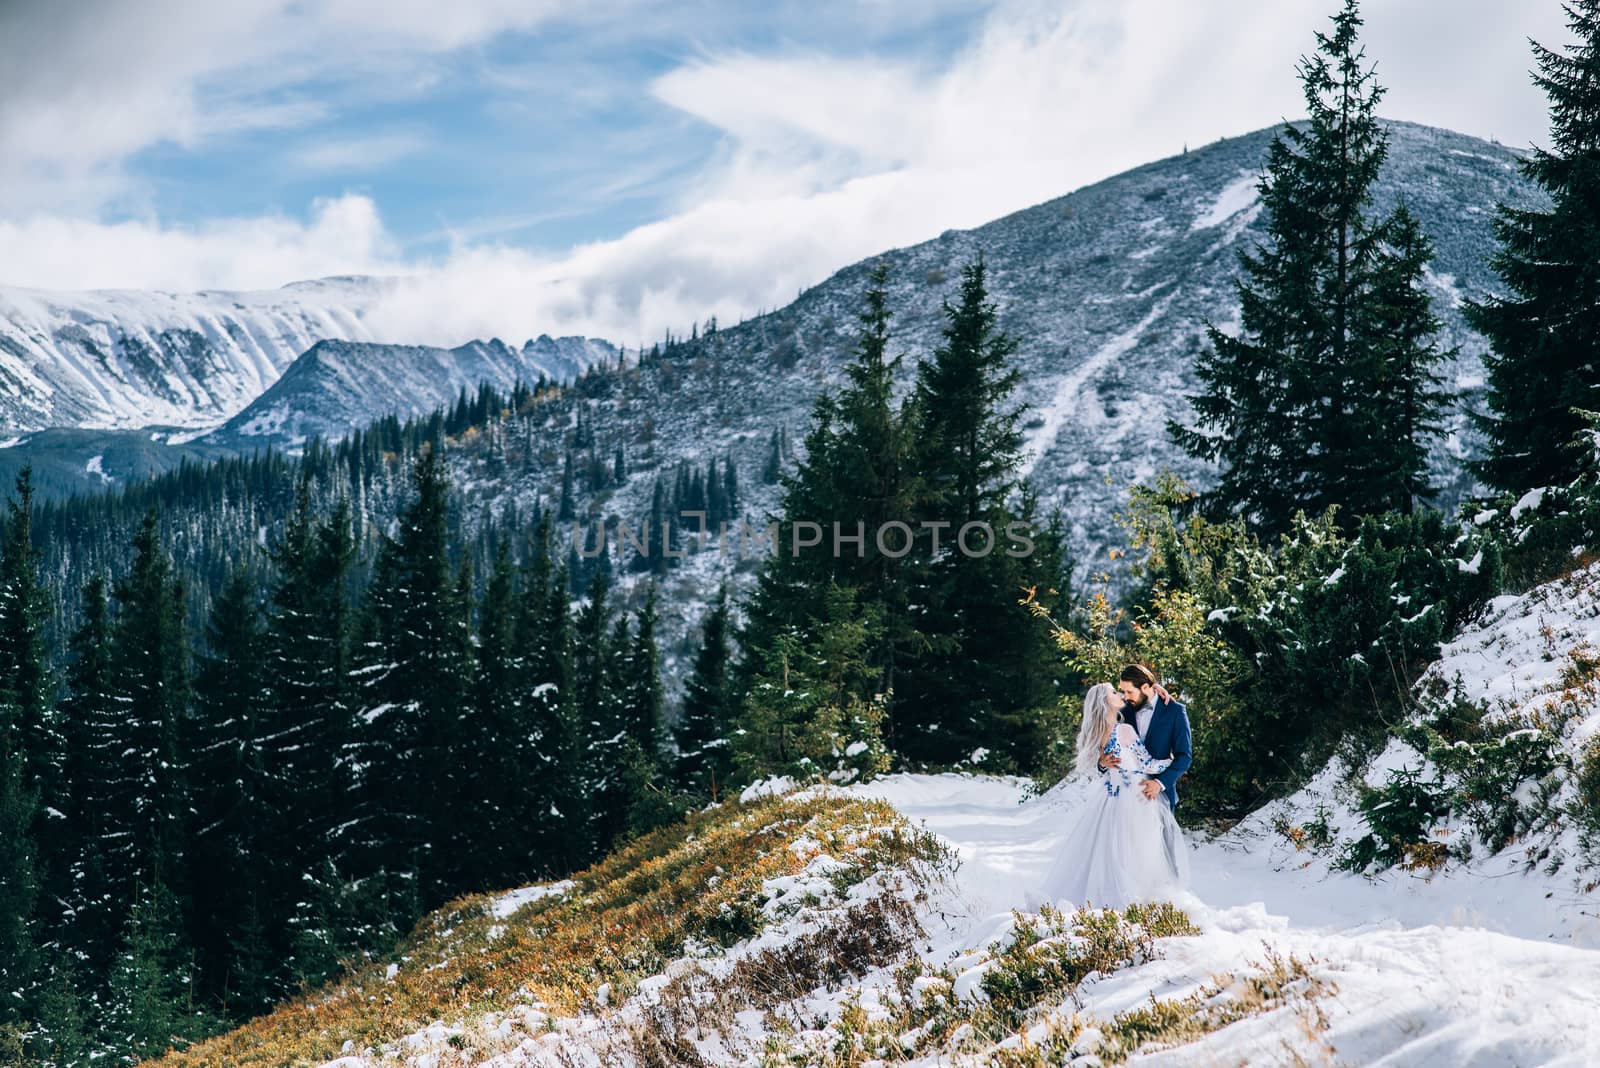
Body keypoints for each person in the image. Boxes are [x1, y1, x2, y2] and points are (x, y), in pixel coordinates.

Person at [1029, 675, 1191, 911]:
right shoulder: (1123, 729)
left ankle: (1100, 898)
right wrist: (1168, 761)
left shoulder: (1100, 733)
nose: (1122, 695)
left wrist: (1156, 689)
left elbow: (1110, 763)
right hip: (1135, 797)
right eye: (1115, 693)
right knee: (1138, 851)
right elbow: (1144, 763)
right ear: (1106, 703)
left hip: (1109, 798)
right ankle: (1136, 902)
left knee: (1107, 851)